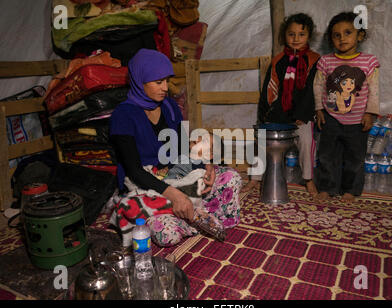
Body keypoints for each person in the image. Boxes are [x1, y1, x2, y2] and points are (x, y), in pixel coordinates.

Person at [109, 49, 242, 247]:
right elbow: (134, 171)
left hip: (177, 175)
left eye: (166, 81)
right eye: (158, 82)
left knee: (231, 178)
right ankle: (192, 215)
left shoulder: (169, 106)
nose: (165, 87)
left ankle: (189, 214)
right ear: (140, 81)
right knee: (167, 235)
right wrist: (174, 194)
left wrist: (206, 165)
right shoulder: (123, 116)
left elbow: (182, 147)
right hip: (148, 185)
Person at [242, 13, 320, 195]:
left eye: (301, 34)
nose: (296, 39)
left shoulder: (314, 59)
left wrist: (302, 116)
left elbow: (313, 90)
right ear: (285, 35)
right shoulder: (278, 60)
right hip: (279, 113)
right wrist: (264, 117)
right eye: (291, 34)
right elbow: (270, 88)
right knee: (262, 139)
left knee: (306, 141)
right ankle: (255, 179)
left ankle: (308, 180)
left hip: (302, 115)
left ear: (308, 36)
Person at [314, 11, 380, 202]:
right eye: (337, 35)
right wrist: (319, 109)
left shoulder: (369, 61)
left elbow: (374, 90)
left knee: (355, 158)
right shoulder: (326, 61)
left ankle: (351, 190)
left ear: (360, 35)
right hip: (331, 118)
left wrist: (370, 113)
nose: (342, 38)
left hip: (358, 120)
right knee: (327, 156)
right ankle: (327, 187)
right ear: (330, 39)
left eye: (348, 33)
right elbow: (317, 86)